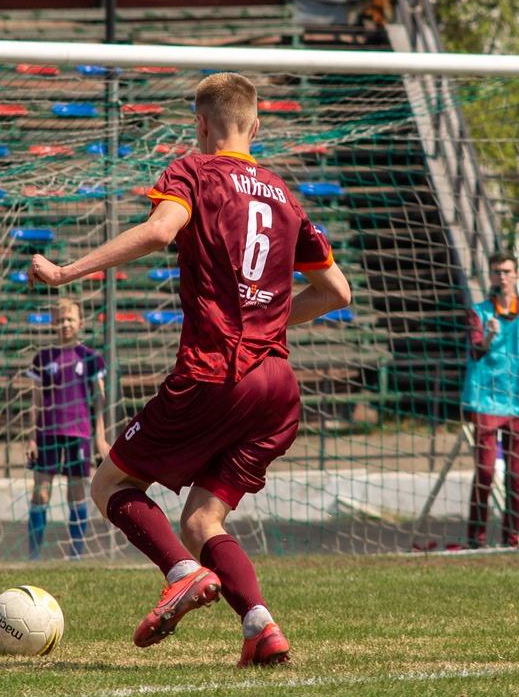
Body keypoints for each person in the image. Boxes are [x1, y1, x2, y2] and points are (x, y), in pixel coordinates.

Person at [29, 72, 352, 666]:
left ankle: (179, 572)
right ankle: (261, 626)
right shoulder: (284, 194)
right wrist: (270, 322)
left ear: (200, 126)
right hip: (277, 390)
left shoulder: (193, 171)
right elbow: (337, 292)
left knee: (110, 484)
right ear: (256, 127)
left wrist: (66, 273)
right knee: (204, 516)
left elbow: (159, 231)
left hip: (215, 374)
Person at [460, 252, 519, 549]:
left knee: (517, 476)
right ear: (491, 276)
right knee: (485, 472)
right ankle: (476, 538)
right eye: (497, 272)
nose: (503, 276)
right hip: (486, 400)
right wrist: (488, 338)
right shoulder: (479, 312)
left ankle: (511, 539)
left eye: (507, 271)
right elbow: (475, 352)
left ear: (516, 274)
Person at [18, 298, 106, 559]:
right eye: (60, 319)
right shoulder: (43, 357)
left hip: (79, 434)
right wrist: (32, 437)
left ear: (80, 323)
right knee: (40, 492)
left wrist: (100, 437)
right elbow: (35, 400)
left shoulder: (91, 358)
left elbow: (98, 399)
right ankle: (34, 554)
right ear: (52, 323)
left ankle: (75, 554)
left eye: (70, 319)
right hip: (47, 433)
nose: (65, 324)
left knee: (76, 491)